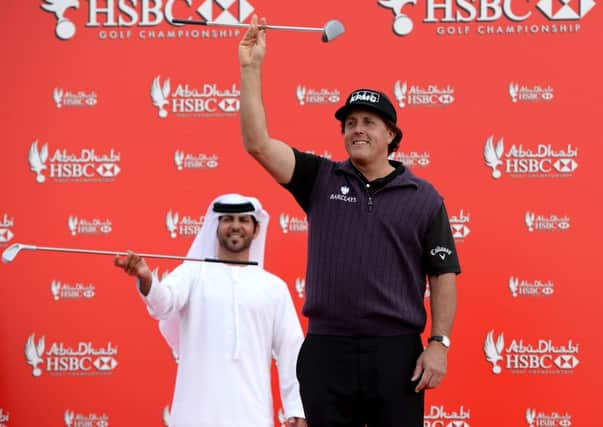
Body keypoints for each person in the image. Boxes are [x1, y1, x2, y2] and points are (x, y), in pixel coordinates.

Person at [238, 16, 460, 427]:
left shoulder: (424, 197)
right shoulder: (319, 178)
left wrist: (439, 343)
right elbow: (257, 144)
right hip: (327, 349)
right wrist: (251, 68)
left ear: (392, 134)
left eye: (368, 122)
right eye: (350, 123)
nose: (357, 129)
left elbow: (443, 273)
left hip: (396, 354)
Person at [114, 193, 306, 427]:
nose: (235, 226)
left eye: (243, 220)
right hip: (195, 417)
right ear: (216, 225)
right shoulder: (193, 274)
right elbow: (163, 303)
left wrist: (296, 408)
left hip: (253, 416)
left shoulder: (274, 288)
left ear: (256, 229)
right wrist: (146, 279)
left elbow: (292, 351)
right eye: (227, 219)